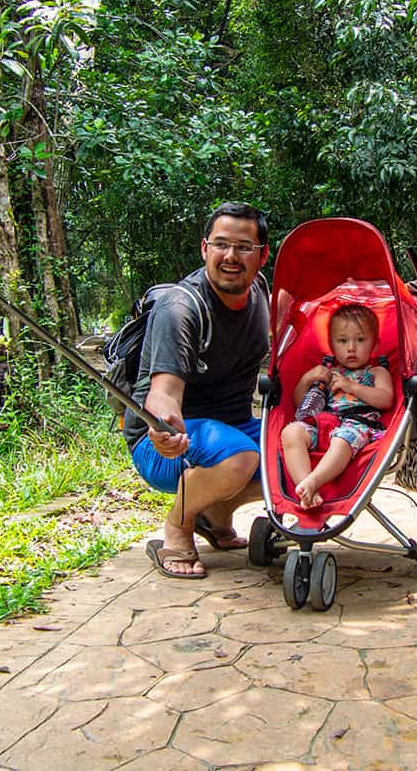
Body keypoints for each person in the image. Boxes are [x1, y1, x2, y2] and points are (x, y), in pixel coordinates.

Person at [128, 202, 270, 578]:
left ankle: (217, 512)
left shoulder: (261, 293)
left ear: (262, 255)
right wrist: (163, 424)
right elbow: (163, 393)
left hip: (232, 429)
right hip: (165, 443)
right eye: (221, 245)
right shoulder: (181, 308)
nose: (231, 257)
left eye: (243, 247)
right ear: (205, 249)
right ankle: (178, 527)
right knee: (241, 457)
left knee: (303, 451)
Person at [280, 303, 394, 509]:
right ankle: (304, 487)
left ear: (374, 345)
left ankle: (314, 481)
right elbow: (301, 405)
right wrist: (307, 379)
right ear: (332, 346)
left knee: (342, 440)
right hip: (322, 423)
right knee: (291, 432)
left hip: (355, 426)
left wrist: (352, 387)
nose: (351, 347)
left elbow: (385, 399)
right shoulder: (327, 373)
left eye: (360, 340)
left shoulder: (377, 372)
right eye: (343, 341)